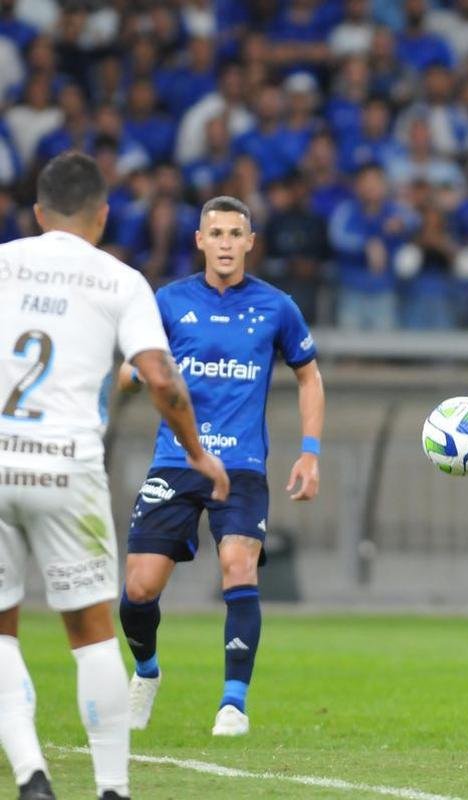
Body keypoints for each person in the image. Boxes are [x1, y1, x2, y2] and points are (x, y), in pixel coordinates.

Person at [0, 152, 228, 800]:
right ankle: (112, 790)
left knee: (1, 628)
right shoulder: (120, 280)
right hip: (67, 465)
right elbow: (160, 377)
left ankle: (32, 777)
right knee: (90, 634)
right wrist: (196, 451)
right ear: (101, 216)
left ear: (37, 213)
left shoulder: (3, 263)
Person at [116, 195, 324, 737]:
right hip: (177, 460)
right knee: (139, 589)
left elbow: (309, 375)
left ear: (251, 243)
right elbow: (131, 367)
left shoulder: (277, 306)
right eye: (218, 234)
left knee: (239, 566)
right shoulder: (168, 301)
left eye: (237, 234)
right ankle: (146, 671)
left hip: (243, 465)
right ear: (200, 241)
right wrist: (134, 374)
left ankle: (233, 703)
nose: (227, 244)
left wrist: (310, 451)